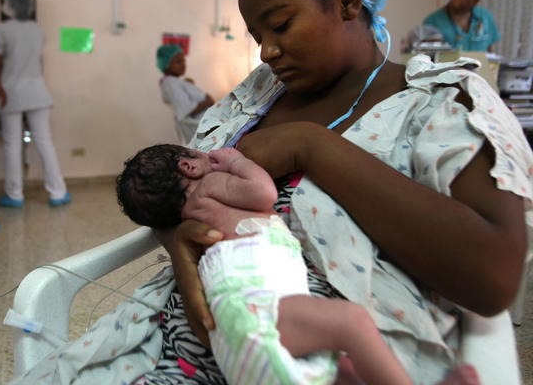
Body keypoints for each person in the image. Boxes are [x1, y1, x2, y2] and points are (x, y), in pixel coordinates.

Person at [11, 0, 532, 385]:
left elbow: (492, 279)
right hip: (184, 339)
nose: (267, 50)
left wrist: (313, 147)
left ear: (347, 0)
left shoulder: (441, 103)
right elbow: (178, 184)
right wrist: (177, 238)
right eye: (258, 34)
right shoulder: (255, 98)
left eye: (280, 25)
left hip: (341, 356)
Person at [117, 144, 480, 385]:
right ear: (189, 165)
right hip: (255, 307)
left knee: (341, 366)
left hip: (240, 332)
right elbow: (264, 193)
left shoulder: (191, 215)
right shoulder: (210, 186)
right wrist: (235, 162)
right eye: (203, 156)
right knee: (351, 323)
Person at [0, 0, 71, 208]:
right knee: (44, 142)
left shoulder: (1, 30)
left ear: (9, 5)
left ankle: (15, 195)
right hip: (37, 91)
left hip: (10, 92)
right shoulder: (38, 30)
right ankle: (58, 192)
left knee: (11, 144)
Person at [423, 0, 500, 52]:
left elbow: (490, 50)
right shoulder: (433, 21)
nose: (471, 1)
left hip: (482, 65)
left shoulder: (485, 17)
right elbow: (428, 56)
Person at [157, 44, 214, 144]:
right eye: (178, 61)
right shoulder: (170, 83)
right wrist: (208, 102)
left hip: (204, 127)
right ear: (165, 63)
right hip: (201, 131)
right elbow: (186, 109)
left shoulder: (174, 81)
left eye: (184, 60)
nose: (183, 65)